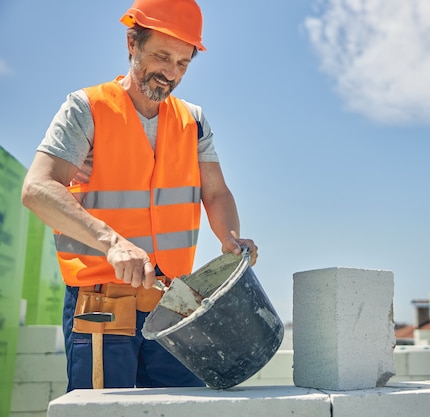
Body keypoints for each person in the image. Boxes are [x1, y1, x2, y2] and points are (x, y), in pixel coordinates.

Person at [21, 0, 257, 391]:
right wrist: (112, 243)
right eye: (162, 57)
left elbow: (216, 194)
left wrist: (229, 237)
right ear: (132, 42)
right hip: (102, 305)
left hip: (175, 306)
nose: (171, 73)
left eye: (183, 63)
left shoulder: (193, 122)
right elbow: (38, 189)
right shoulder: (87, 109)